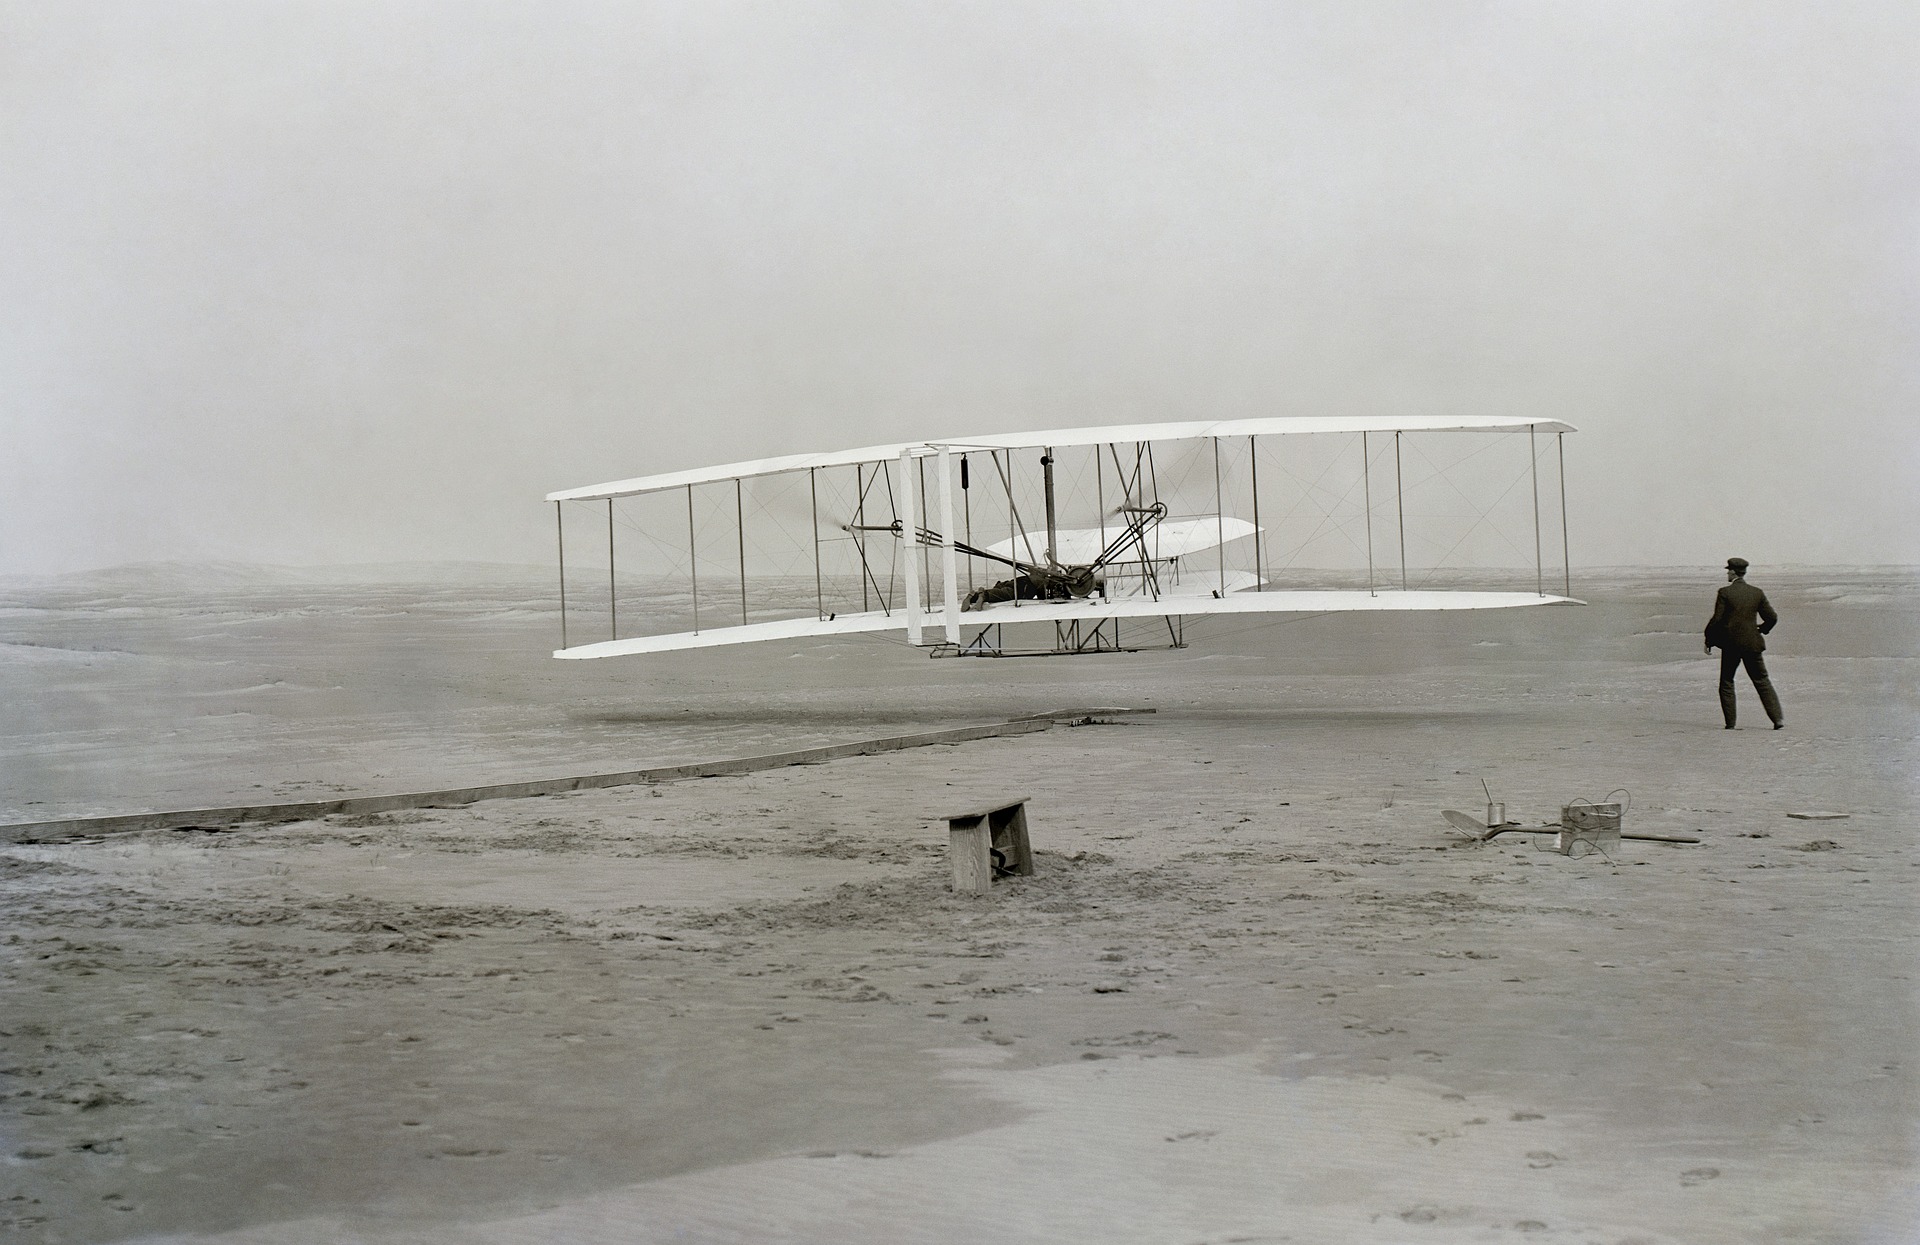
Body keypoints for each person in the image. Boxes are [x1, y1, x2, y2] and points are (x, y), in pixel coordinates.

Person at [1704, 557, 1784, 729]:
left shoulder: (1725, 592)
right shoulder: (1757, 592)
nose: (1727, 573)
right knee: (1762, 680)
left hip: (1731, 645)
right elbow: (1772, 617)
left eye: (1728, 570)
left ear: (1733, 572)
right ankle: (1778, 720)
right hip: (1752, 643)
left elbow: (1717, 619)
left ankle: (1730, 724)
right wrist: (1762, 629)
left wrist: (1709, 639)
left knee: (1727, 682)